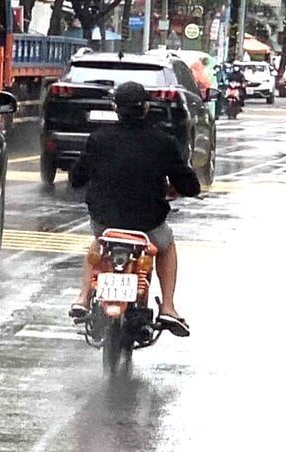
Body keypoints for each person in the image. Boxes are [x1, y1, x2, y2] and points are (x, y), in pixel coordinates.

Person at [67, 81, 201, 337]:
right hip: (148, 225)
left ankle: (83, 297)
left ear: (116, 109)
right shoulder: (163, 142)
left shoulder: (99, 139)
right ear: (146, 108)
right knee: (167, 246)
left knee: (98, 242)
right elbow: (189, 185)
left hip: (105, 222)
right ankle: (169, 308)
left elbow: (76, 178)